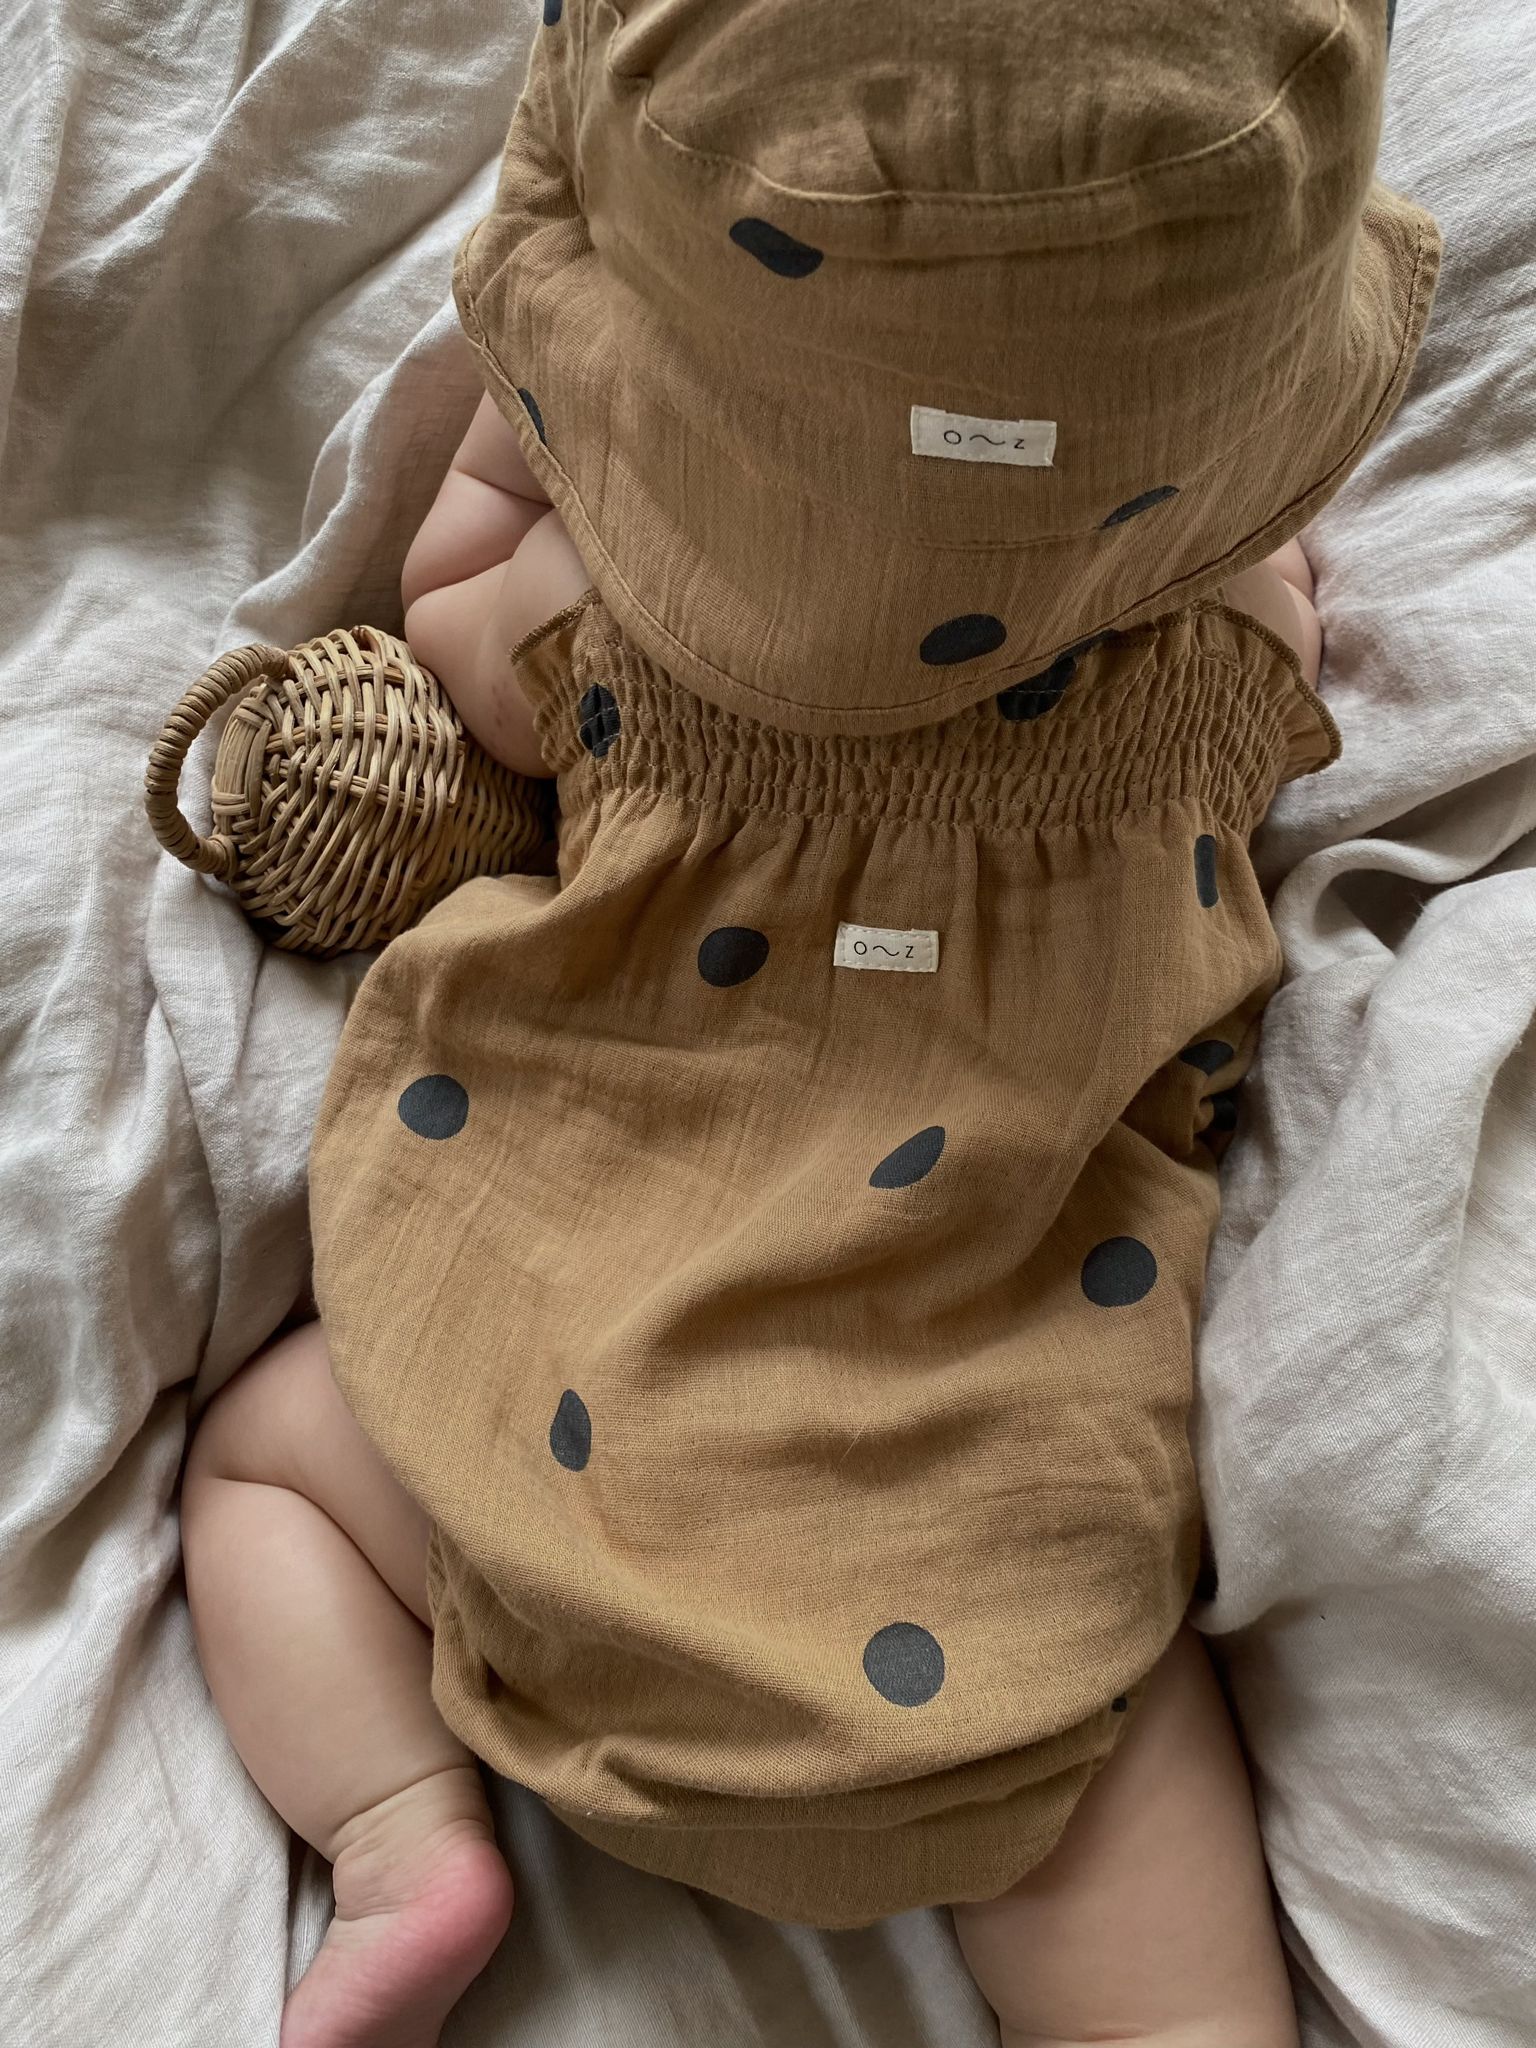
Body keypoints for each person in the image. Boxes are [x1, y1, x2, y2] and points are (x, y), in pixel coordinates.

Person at [180, 3, 1439, 2043]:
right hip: (993, 1594)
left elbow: (448, 618)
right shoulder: (1220, 668)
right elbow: (1271, 578)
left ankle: (408, 1846)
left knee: (264, 1468)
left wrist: (547, 465)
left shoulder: (587, 632)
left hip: (544, 1484)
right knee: (1167, 1940)